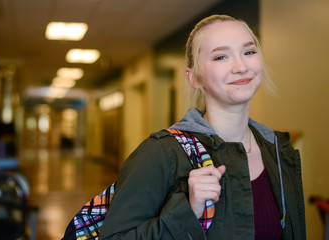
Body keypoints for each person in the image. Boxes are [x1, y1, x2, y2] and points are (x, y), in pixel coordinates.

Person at [99, 14, 306, 239]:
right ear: (194, 78)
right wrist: (187, 210)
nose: (240, 66)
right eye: (221, 57)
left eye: (249, 52)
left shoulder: (278, 150)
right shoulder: (162, 153)